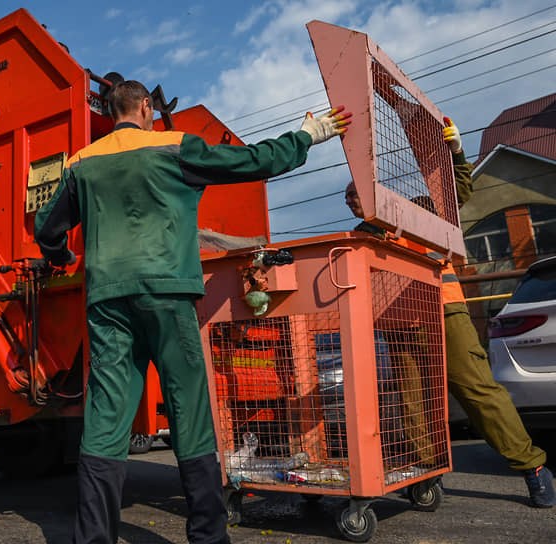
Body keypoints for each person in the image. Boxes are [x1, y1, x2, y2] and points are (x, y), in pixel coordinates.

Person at [34, 80, 350, 544]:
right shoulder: (175, 146)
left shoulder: (83, 162)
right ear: (145, 107)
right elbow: (254, 163)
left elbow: (46, 227)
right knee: (189, 409)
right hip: (167, 294)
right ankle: (206, 535)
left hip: (107, 301)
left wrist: (60, 256)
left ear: (109, 108)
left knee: (105, 420)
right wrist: (305, 135)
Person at [344, 118, 556, 509]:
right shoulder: (360, 236)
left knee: (476, 390)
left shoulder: (416, 209)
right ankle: (427, 475)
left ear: (376, 192)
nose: (353, 201)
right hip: (399, 323)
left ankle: (533, 467)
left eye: (357, 193)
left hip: (444, 310)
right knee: (412, 401)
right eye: (349, 199)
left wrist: (455, 151)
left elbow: (456, 192)